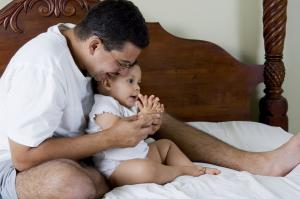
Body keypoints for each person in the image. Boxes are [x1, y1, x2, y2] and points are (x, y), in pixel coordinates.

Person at [1, 0, 300, 198]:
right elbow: (23, 157)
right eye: (122, 63)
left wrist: (140, 119)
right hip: (15, 171)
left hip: (80, 153)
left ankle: (253, 163)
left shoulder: (82, 50)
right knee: (70, 182)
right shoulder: (43, 67)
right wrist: (112, 139)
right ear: (94, 45)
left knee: (148, 113)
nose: (124, 71)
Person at [86, 64, 220, 186]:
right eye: (130, 81)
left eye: (138, 83)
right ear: (107, 83)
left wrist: (152, 124)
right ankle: (179, 170)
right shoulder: (104, 104)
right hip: (119, 167)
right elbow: (117, 133)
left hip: (143, 154)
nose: (137, 87)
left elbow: (140, 134)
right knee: (146, 170)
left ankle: (192, 168)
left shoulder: (130, 107)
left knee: (166, 145)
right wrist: (143, 117)